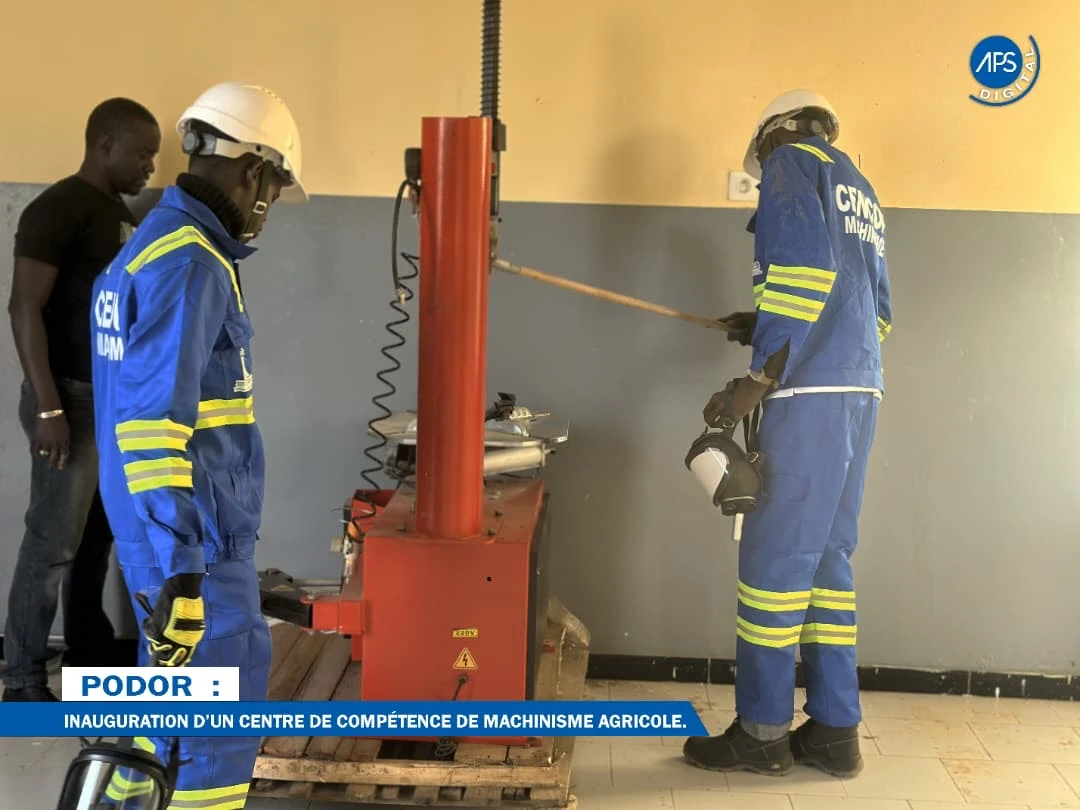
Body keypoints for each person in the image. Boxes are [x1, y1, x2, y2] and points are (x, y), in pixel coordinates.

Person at [89, 81, 306, 807]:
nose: (267, 212)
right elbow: (154, 427)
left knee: (160, 727)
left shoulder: (158, 246)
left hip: (170, 540)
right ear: (253, 173)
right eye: (273, 188)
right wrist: (185, 570)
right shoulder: (190, 265)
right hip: (199, 550)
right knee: (210, 740)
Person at [682, 89, 892, 778]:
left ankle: (763, 732)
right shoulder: (857, 185)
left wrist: (761, 377)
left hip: (809, 395)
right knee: (828, 563)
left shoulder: (790, 165)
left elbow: (802, 270)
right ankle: (835, 733)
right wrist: (763, 322)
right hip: (859, 387)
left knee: (772, 566)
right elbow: (871, 309)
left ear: (775, 132)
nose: (762, 163)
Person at [3, 97, 160, 701]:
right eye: (142, 152)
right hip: (67, 401)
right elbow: (23, 307)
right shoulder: (58, 208)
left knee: (96, 540)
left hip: (107, 400)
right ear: (103, 145)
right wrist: (48, 409)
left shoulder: (115, 214)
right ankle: (19, 681)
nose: (150, 165)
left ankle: (90, 657)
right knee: (51, 546)